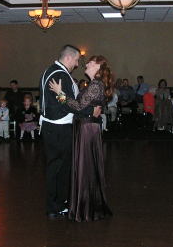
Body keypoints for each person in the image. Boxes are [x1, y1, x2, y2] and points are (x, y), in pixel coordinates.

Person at [39, 45, 101, 220]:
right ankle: (56, 206)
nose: (77, 64)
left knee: (56, 167)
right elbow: (65, 102)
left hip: (53, 128)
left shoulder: (51, 71)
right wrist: (89, 112)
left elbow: (66, 99)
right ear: (68, 58)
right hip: (58, 128)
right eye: (76, 60)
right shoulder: (60, 74)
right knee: (59, 168)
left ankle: (56, 205)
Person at [49, 55, 113, 222]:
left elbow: (78, 106)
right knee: (86, 166)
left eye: (91, 62)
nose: (86, 64)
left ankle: (86, 207)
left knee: (86, 166)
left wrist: (60, 93)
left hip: (87, 129)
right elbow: (85, 107)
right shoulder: (93, 84)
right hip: (86, 127)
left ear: (98, 67)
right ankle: (86, 204)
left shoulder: (95, 85)